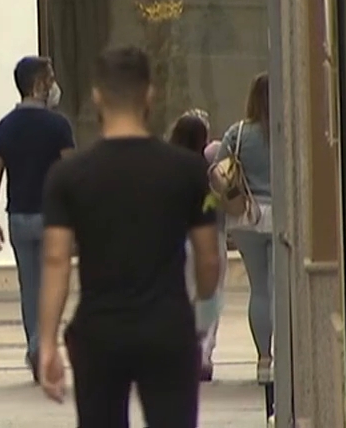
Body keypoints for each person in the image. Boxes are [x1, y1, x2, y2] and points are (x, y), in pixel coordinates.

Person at [38, 47, 222, 428]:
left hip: (100, 330)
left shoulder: (69, 175)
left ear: (97, 96)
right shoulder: (187, 170)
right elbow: (208, 258)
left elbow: (56, 260)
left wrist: (47, 343)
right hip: (167, 325)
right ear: (149, 94)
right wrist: (202, 303)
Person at [0, 55, 75, 382]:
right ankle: (46, 343)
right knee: (54, 284)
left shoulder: (4, 127)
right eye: (50, 78)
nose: (54, 85)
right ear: (38, 84)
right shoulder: (58, 126)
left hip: (19, 217)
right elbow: (70, 171)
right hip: (54, 218)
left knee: (30, 285)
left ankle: (35, 345)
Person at [214, 72, 274, 383]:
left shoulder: (237, 133)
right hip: (280, 216)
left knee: (259, 289)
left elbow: (218, 172)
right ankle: (285, 356)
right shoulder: (285, 131)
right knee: (278, 289)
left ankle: (264, 358)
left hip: (246, 217)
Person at [169, 113, 228, 382]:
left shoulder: (166, 168)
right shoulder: (209, 170)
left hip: (176, 239)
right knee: (211, 296)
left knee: (181, 296)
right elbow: (227, 197)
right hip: (211, 237)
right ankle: (204, 352)